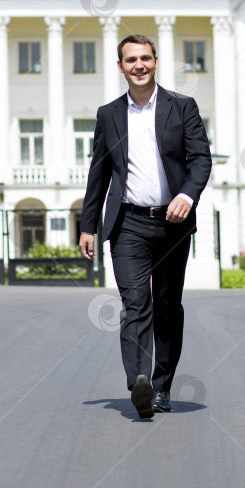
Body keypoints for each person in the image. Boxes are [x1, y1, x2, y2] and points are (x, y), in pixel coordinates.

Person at [79, 34, 212, 419]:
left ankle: (162, 387)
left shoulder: (182, 107)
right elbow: (99, 172)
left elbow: (200, 159)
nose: (139, 65)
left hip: (173, 223)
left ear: (156, 62)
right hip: (128, 224)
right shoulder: (109, 114)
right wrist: (89, 225)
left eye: (145, 58)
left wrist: (187, 196)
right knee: (135, 304)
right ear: (119, 66)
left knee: (168, 306)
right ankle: (139, 380)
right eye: (130, 59)